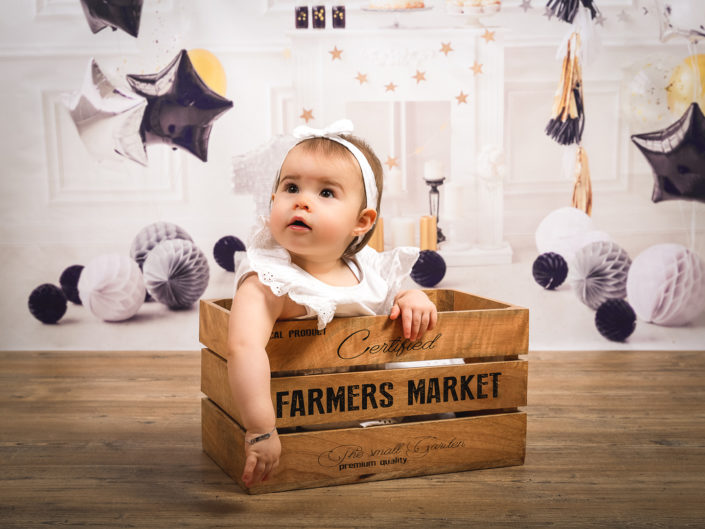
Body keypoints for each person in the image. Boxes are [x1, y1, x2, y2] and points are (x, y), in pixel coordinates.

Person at [226, 120, 437, 487]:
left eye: (326, 193)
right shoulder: (270, 280)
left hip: (393, 416)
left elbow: (395, 297)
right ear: (273, 200)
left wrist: (411, 297)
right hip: (308, 427)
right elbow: (243, 347)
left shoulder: (368, 268)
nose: (302, 200)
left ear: (361, 221)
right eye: (291, 187)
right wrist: (261, 430)